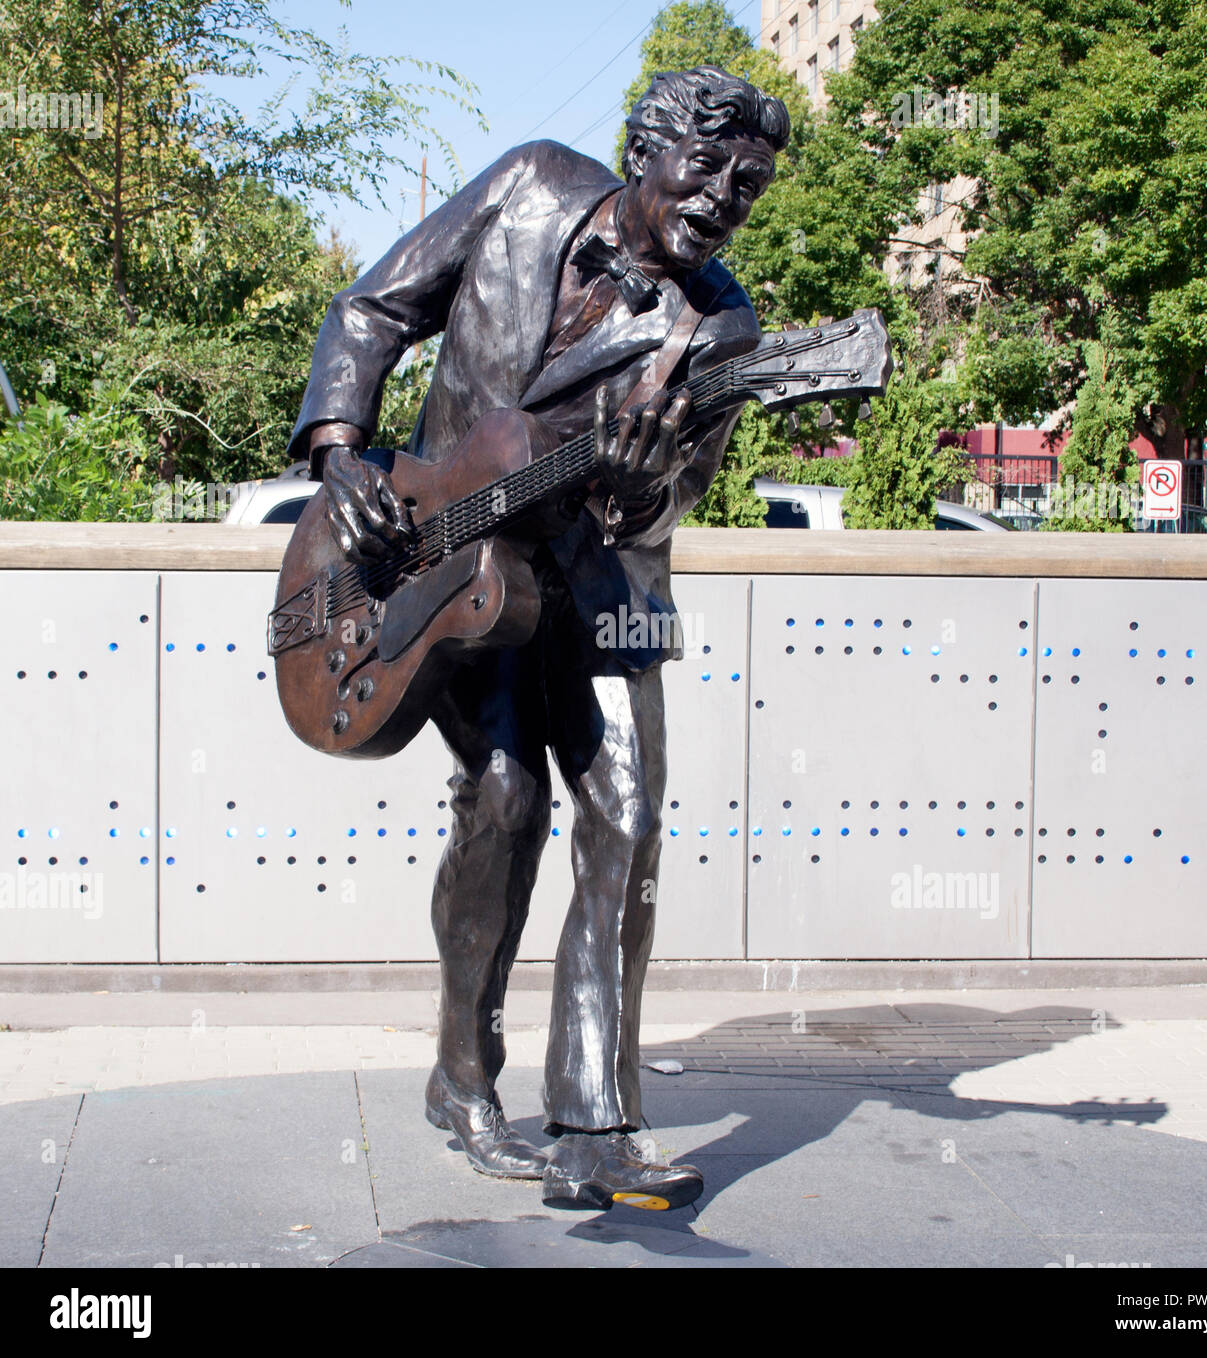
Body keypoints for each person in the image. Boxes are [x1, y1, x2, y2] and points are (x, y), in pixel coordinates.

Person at [286, 66, 788, 1211]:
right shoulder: (527, 187)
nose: (722, 197)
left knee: (628, 814)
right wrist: (343, 455)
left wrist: (645, 475)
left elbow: (663, 507)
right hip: (450, 561)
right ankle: (462, 1078)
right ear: (644, 147)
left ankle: (596, 1126)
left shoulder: (724, 327)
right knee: (504, 799)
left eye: (748, 186)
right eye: (705, 166)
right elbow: (373, 310)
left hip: (606, 584)